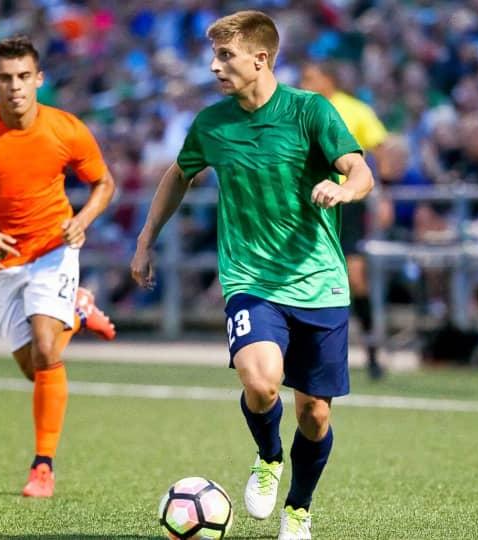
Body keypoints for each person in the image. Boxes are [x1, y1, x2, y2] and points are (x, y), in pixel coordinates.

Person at [131, 11, 374, 539]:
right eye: (214, 55)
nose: (215, 66)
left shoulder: (311, 111)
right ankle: (268, 456)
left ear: (260, 59)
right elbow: (179, 174)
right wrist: (147, 236)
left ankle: (298, 510)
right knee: (261, 383)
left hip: (320, 281)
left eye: (225, 56)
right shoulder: (213, 124)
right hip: (251, 279)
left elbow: (360, 170)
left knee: (314, 415)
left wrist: (344, 190)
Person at [0, 36, 116, 498]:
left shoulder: (66, 129)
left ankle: (43, 467)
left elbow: (104, 183)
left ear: (39, 80)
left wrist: (83, 220)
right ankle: (77, 309)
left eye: (23, 77)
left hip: (53, 249)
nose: (15, 87)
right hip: (1, 261)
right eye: (6, 78)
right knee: (33, 367)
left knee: (48, 352)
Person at [299, 60, 387, 380]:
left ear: (328, 78)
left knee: (355, 276)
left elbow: (379, 149)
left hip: (346, 203)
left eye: (310, 76)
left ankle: (373, 351)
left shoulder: (355, 110)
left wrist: (384, 193)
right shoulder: (299, 109)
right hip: (307, 202)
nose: (304, 82)